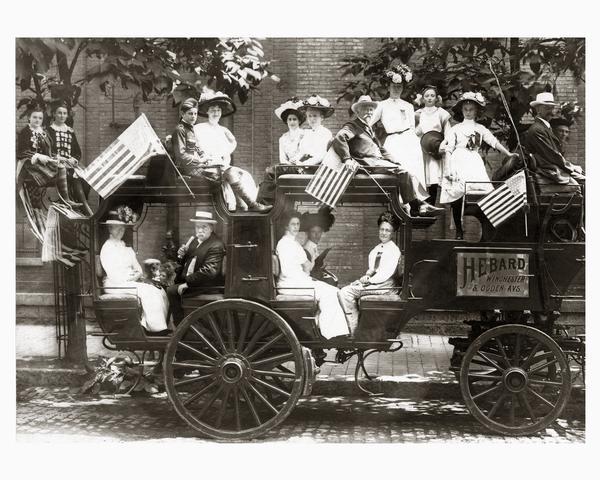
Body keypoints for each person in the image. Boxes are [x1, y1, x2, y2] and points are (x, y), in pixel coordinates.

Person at [332, 95, 443, 217]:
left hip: (378, 161)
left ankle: (421, 204)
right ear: (358, 111)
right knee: (403, 172)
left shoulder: (368, 128)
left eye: (370, 109)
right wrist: (347, 159)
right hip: (368, 164)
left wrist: (395, 161)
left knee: (407, 171)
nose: (369, 112)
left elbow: (381, 149)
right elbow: (339, 138)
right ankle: (416, 207)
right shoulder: (352, 126)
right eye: (365, 109)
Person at [442, 91, 518, 239]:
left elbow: (493, 141)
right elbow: (449, 150)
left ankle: (486, 232)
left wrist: (508, 153)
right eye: (465, 109)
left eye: (471, 109)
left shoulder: (481, 129)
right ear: (462, 110)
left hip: (474, 162)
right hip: (458, 161)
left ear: (476, 111)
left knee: (485, 194)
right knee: (457, 193)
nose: (468, 112)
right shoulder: (455, 129)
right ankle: (459, 230)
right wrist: (449, 168)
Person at [190, 90, 271, 212]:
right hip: (205, 167)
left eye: (218, 110)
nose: (215, 113)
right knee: (231, 173)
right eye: (212, 110)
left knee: (243, 175)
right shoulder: (199, 129)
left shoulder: (223, 130)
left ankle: (246, 204)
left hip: (220, 166)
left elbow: (229, 147)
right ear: (207, 112)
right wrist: (207, 159)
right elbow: (196, 149)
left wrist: (223, 158)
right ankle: (253, 205)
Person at [276, 211, 349, 340]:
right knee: (328, 292)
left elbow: (306, 266)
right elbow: (290, 271)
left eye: (298, 224)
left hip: (297, 280)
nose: (296, 227)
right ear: (286, 226)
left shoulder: (293, 243)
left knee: (332, 290)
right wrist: (306, 269)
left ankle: (326, 328)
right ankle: (329, 333)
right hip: (290, 283)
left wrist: (306, 268)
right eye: (293, 224)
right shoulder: (286, 244)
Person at [100, 208, 169, 333]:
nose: (121, 230)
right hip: (115, 284)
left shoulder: (126, 247)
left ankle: (151, 325)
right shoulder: (107, 248)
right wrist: (132, 276)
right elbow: (113, 274)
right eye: (117, 227)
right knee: (149, 292)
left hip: (128, 281)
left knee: (160, 291)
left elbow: (138, 268)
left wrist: (136, 274)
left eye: (123, 227)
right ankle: (156, 329)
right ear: (110, 228)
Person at [338, 212, 401, 335]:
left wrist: (368, 281)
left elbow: (385, 274)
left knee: (345, 292)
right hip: (377, 283)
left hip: (385, 286)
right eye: (382, 229)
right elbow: (373, 269)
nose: (383, 233)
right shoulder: (378, 249)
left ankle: (354, 329)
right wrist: (367, 276)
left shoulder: (393, 250)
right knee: (350, 286)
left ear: (392, 232)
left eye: (387, 230)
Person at [166, 210, 226, 326]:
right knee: (167, 287)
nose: (200, 230)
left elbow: (209, 272)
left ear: (211, 228)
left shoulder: (216, 245)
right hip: (195, 281)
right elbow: (186, 263)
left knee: (172, 291)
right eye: (197, 227)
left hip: (205, 285)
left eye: (204, 227)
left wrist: (187, 283)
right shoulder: (195, 241)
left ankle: (180, 327)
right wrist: (181, 256)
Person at [371, 64, 426, 187]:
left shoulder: (408, 106)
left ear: (403, 88)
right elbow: (369, 123)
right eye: (394, 86)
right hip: (393, 140)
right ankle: (400, 203)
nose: (396, 89)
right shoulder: (382, 105)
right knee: (397, 170)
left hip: (409, 140)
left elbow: (412, 127)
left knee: (413, 170)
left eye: (399, 87)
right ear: (389, 88)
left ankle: (416, 203)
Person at [16, 105, 82, 208]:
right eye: (35, 117)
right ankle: (59, 199)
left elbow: (49, 152)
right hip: (28, 164)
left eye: (40, 118)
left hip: (42, 162)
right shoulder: (25, 132)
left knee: (61, 166)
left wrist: (58, 158)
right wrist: (37, 155)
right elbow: (21, 152)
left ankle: (66, 199)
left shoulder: (43, 133)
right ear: (29, 117)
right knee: (58, 169)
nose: (37, 120)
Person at [256, 98, 306, 204]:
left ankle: (263, 201)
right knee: (273, 172)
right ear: (286, 121)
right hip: (287, 166)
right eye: (290, 119)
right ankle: (270, 203)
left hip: (300, 166)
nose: (292, 122)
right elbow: (282, 158)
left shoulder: (304, 134)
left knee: (270, 171)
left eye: (294, 119)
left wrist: (295, 161)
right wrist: (287, 164)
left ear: (299, 121)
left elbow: (304, 152)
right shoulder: (283, 138)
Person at [47, 101, 93, 215]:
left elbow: (77, 151)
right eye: (59, 113)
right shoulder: (49, 130)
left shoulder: (70, 131)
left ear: (67, 115)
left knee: (86, 177)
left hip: (70, 163)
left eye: (64, 113)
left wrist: (74, 159)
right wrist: (62, 159)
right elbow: (48, 150)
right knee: (73, 175)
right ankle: (85, 208)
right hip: (56, 162)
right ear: (54, 114)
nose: (62, 116)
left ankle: (82, 204)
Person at [414, 85, 453, 203]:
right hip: (421, 149)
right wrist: (417, 130)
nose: (429, 98)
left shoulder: (442, 113)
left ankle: (431, 204)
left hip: (436, 149)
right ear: (423, 98)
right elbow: (412, 132)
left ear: (437, 98)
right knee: (420, 177)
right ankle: (420, 206)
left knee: (433, 177)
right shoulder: (418, 114)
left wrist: (444, 145)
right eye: (427, 96)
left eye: (432, 96)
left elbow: (448, 133)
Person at [300, 206, 338, 285]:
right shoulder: (307, 249)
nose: (317, 235)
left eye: (319, 232)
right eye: (313, 231)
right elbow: (307, 272)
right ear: (308, 232)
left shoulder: (313, 246)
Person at [295, 94, 334, 166]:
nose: (312, 119)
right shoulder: (306, 133)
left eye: (315, 116)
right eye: (309, 116)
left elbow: (321, 155)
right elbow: (302, 152)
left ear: (321, 117)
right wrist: (296, 160)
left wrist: (305, 164)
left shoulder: (325, 132)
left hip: (316, 165)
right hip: (303, 163)